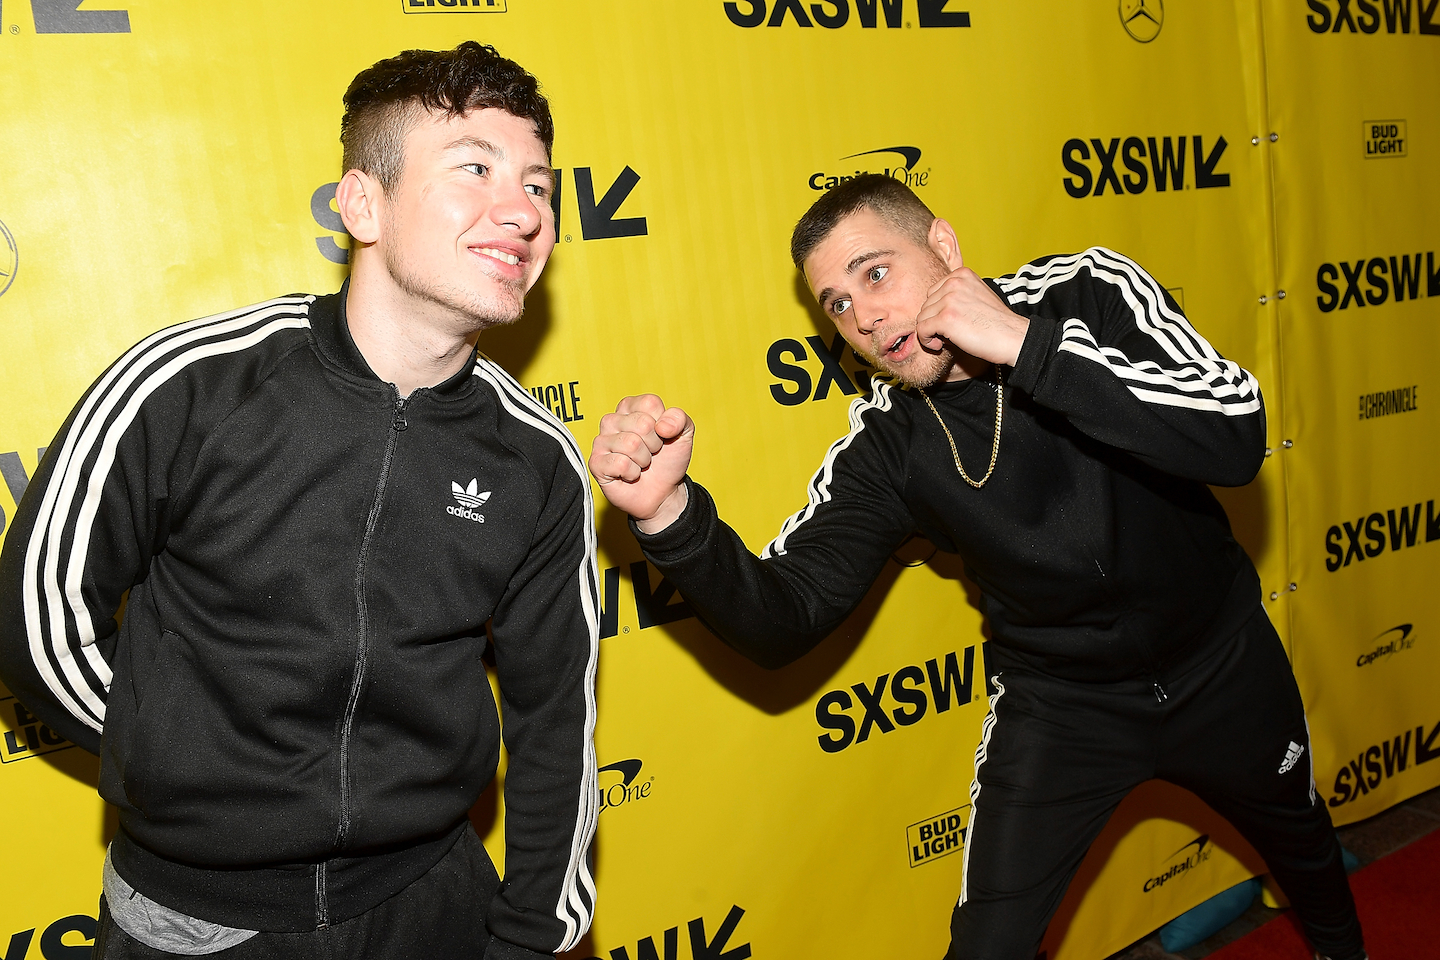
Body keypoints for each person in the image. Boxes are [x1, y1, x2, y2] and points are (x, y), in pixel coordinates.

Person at [588, 175, 1365, 960]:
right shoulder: (888, 445)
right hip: (1063, 706)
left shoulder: (1084, 293)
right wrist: (669, 518)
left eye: (875, 273)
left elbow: (1235, 434)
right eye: (838, 305)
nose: (866, 316)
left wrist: (1031, 349)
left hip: (1220, 661)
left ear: (945, 249)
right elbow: (784, 618)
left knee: (1303, 844)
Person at [0, 42, 598, 960]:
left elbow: (557, 717)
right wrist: (183, 762)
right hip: (199, 920)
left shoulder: (537, 460)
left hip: (432, 900)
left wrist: (531, 938)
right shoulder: (192, 386)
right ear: (364, 203)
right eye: (474, 168)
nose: (520, 211)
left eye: (540, 186)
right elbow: (34, 620)